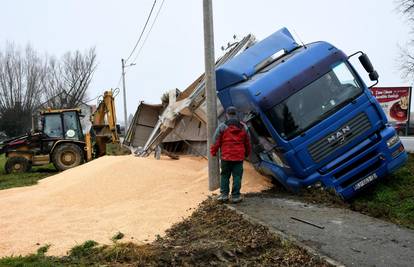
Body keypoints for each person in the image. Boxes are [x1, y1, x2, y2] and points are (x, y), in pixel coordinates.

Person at [210, 106, 251, 203]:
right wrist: (247, 153)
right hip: (239, 157)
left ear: (227, 114)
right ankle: (235, 196)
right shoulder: (243, 127)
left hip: (226, 157)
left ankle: (224, 196)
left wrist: (213, 151)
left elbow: (216, 141)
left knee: (224, 175)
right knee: (237, 176)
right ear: (236, 114)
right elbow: (248, 142)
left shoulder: (222, 126)